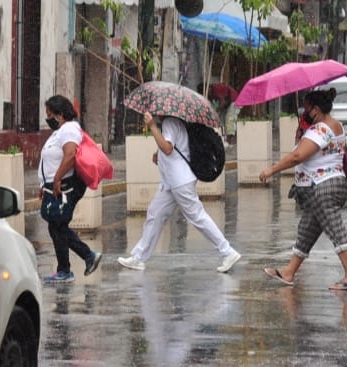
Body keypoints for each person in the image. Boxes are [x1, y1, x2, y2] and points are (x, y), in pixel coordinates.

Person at [258, 87, 347, 291]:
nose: (304, 113)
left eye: (306, 109)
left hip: (323, 186)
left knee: (335, 229)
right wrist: (302, 135)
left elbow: (298, 156)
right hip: (325, 185)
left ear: (315, 109)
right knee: (306, 231)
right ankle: (289, 272)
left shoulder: (321, 129)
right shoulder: (333, 125)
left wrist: (271, 170)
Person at [117, 111, 241, 273]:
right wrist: (158, 156)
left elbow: (168, 148)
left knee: (197, 216)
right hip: (172, 181)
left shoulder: (169, 123)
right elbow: (171, 149)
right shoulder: (177, 122)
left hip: (179, 181)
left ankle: (227, 251)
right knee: (155, 214)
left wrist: (152, 126)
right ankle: (138, 257)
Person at [40, 95, 102, 284]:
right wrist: (43, 184)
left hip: (66, 185)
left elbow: (69, 156)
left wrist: (57, 178)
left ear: (59, 115)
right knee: (55, 225)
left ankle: (83, 258)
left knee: (57, 224)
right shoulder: (60, 131)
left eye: (50, 115)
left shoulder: (69, 129)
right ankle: (67, 268)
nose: (48, 119)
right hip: (54, 185)